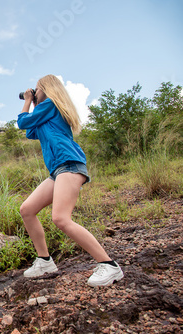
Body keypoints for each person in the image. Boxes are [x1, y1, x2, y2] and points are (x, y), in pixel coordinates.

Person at [16, 74, 124, 287]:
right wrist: (34, 102)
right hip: (58, 170)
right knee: (27, 209)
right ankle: (45, 261)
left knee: (61, 218)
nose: (33, 92)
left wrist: (28, 101)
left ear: (45, 89)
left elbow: (22, 122)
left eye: (36, 89)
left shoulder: (50, 104)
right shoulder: (46, 110)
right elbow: (30, 132)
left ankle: (109, 265)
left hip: (69, 164)